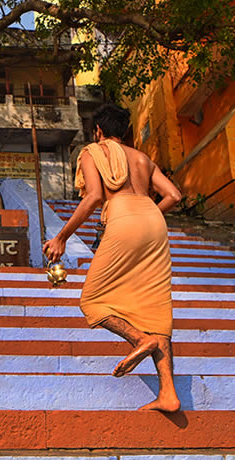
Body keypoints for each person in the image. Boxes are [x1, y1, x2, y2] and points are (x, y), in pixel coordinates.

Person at [42, 104, 183, 412]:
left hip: (121, 216)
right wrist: (146, 216)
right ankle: (169, 394)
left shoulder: (94, 151)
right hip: (153, 221)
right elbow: (174, 195)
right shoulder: (142, 159)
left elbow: (93, 196)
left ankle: (139, 339)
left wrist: (61, 237)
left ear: (99, 131)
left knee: (91, 302)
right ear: (125, 132)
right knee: (156, 307)